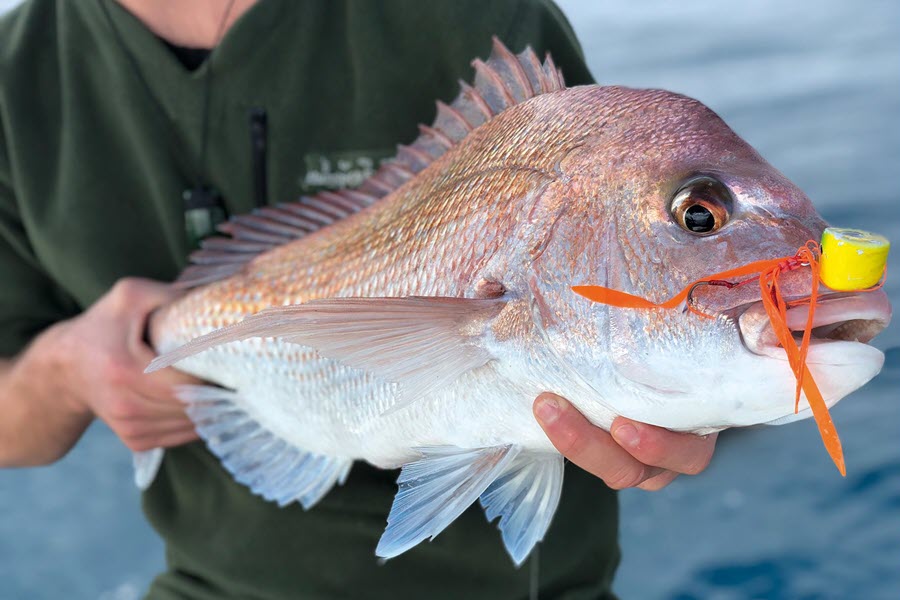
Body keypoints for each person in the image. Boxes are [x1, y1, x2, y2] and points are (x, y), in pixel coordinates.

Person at [0, 1, 717, 597]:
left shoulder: (485, 14)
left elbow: (629, 238)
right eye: (698, 215)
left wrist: (691, 395)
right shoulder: (13, 74)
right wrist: (64, 368)